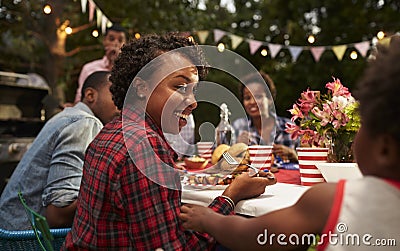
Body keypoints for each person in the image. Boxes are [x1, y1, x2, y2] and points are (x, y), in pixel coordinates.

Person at [62, 33, 277, 250]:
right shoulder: (144, 147)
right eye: (180, 87)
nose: (193, 103)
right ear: (141, 87)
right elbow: (176, 248)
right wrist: (232, 196)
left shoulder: (114, 130)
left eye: (193, 91)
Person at [179, 42, 400, 250]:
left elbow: (255, 236)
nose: (253, 101)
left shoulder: (287, 129)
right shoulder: (238, 128)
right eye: (247, 97)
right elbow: (227, 158)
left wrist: (209, 219)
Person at [0, 71, 119, 230]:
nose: (121, 105)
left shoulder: (68, 116)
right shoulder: (85, 123)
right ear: (90, 95)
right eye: (115, 96)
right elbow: (59, 215)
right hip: (27, 238)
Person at [233, 72, 298, 162]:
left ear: (270, 99)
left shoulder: (289, 126)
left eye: (258, 96)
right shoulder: (238, 126)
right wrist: (237, 148)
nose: (252, 102)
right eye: (247, 98)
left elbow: (308, 160)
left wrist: (293, 155)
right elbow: (219, 158)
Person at [74, 24, 127, 103]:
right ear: (104, 41)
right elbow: (79, 99)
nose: (116, 44)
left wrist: (116, 63)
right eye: (111, 39)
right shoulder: (89, 68)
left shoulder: (127, 70)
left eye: (120, 40)